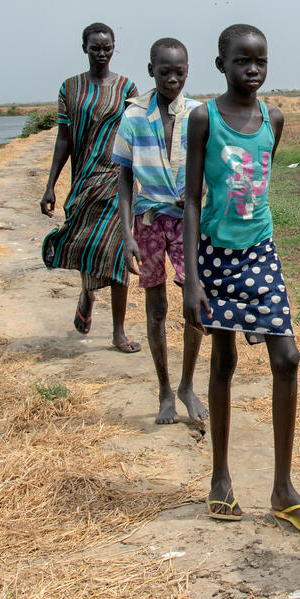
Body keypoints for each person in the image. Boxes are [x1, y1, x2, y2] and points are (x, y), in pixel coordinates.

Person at [182, 24, 300, 533]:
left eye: (260, 61)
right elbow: (193, 198)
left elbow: (258, 184)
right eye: (242, 61)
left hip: (261, 252)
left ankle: (283, 488)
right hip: (216, 256)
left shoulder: (273, 119)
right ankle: (221, 478)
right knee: (224, 359)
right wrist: (193, 275)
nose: (253, 70)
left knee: (287, 357)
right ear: (220, 64)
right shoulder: (203, 119)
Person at [114, 38, 208, 425]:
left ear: (188, 71)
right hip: (149, 220)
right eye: (164, 71)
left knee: (195, 304)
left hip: (188, 221)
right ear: (151, 70)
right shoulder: (134, 115)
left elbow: (211, 174)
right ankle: (165, 389)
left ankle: (187, 384)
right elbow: (123, 176)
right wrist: (127, 233)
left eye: (179, 72)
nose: (172, 79)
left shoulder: (200, 114)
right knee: (156, 310)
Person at [40, 22, 140, 353]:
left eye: (107, 47)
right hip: (84, 180)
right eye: (95, 47)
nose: (101, 52)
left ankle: (119, 331)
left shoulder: (127, 88)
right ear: (84, 47)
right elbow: (64, 139)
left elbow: (137, 135)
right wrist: (50, 185)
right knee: (88, 245)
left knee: (118, 252)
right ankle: (87, 292)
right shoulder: (70, 89)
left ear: (114, 48)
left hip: (118, 179)